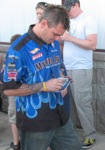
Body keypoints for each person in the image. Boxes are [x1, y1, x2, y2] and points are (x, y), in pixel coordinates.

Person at [2, 4, 82, 150]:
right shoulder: (18, 50)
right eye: (55, 34)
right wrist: (44, 86)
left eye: (60, 35)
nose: (58, 39)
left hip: (60, 115)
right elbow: (8, 89)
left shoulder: (54, 43)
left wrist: (64, 78)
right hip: (35, 123)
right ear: (43, 23)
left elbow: (58, 68)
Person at [61, 0, 97, 149]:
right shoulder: (67, 20)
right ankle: (72, 134)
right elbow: (63, 43)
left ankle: (90, 135)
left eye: (68, 10)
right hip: (66, 67)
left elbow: (92, 44)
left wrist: (70, 38)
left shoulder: (88, 20)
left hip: (81, 68)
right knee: (68, 103)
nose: (67, 13)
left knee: (82, 103)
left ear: (76, 5)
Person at [8, 34, 21, 150]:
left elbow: (10, 79)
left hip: (14, 91)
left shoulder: (11, 58)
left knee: (14, 118)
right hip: (24, 91)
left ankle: (16, 143)